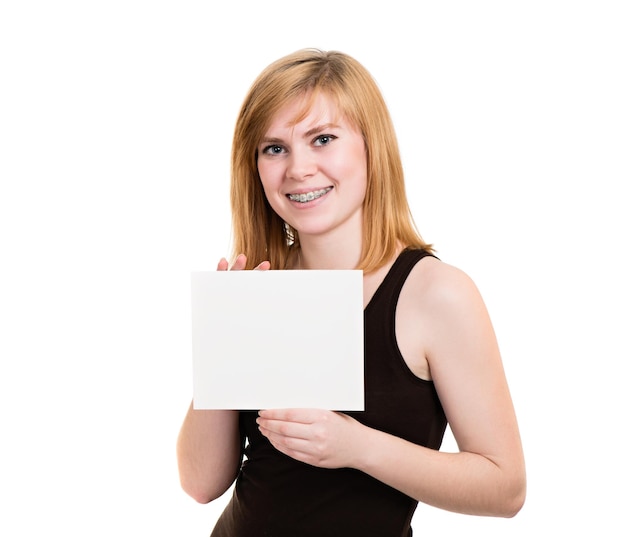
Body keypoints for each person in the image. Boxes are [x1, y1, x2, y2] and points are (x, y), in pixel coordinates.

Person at [176, 48, 526, 536]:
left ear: (370, 146)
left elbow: (505, 487)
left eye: (322, 139)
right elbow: (199, 483)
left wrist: (356, 447)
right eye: (274, 148)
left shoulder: (437, 295)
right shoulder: (258, 287)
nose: (298, 168)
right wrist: (222, 345)